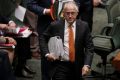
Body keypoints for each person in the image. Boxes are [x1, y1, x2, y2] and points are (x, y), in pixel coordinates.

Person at [39, 1, 94, 80]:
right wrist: (47, 54)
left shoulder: (84, 26)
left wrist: (87, 65)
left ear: (77, 13)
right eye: (67, 13)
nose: (70, 16)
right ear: (63, 14)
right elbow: (43, 38)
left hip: (77, 65)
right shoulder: (55, 25)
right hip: (60, 65)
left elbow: (89, 47)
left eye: (72, 13)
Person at [26, 0, 53, 80]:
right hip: (45, 25)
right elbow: (30, 4)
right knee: (46, 57)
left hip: (66, 24)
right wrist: (45, 11)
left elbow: (77, 2)